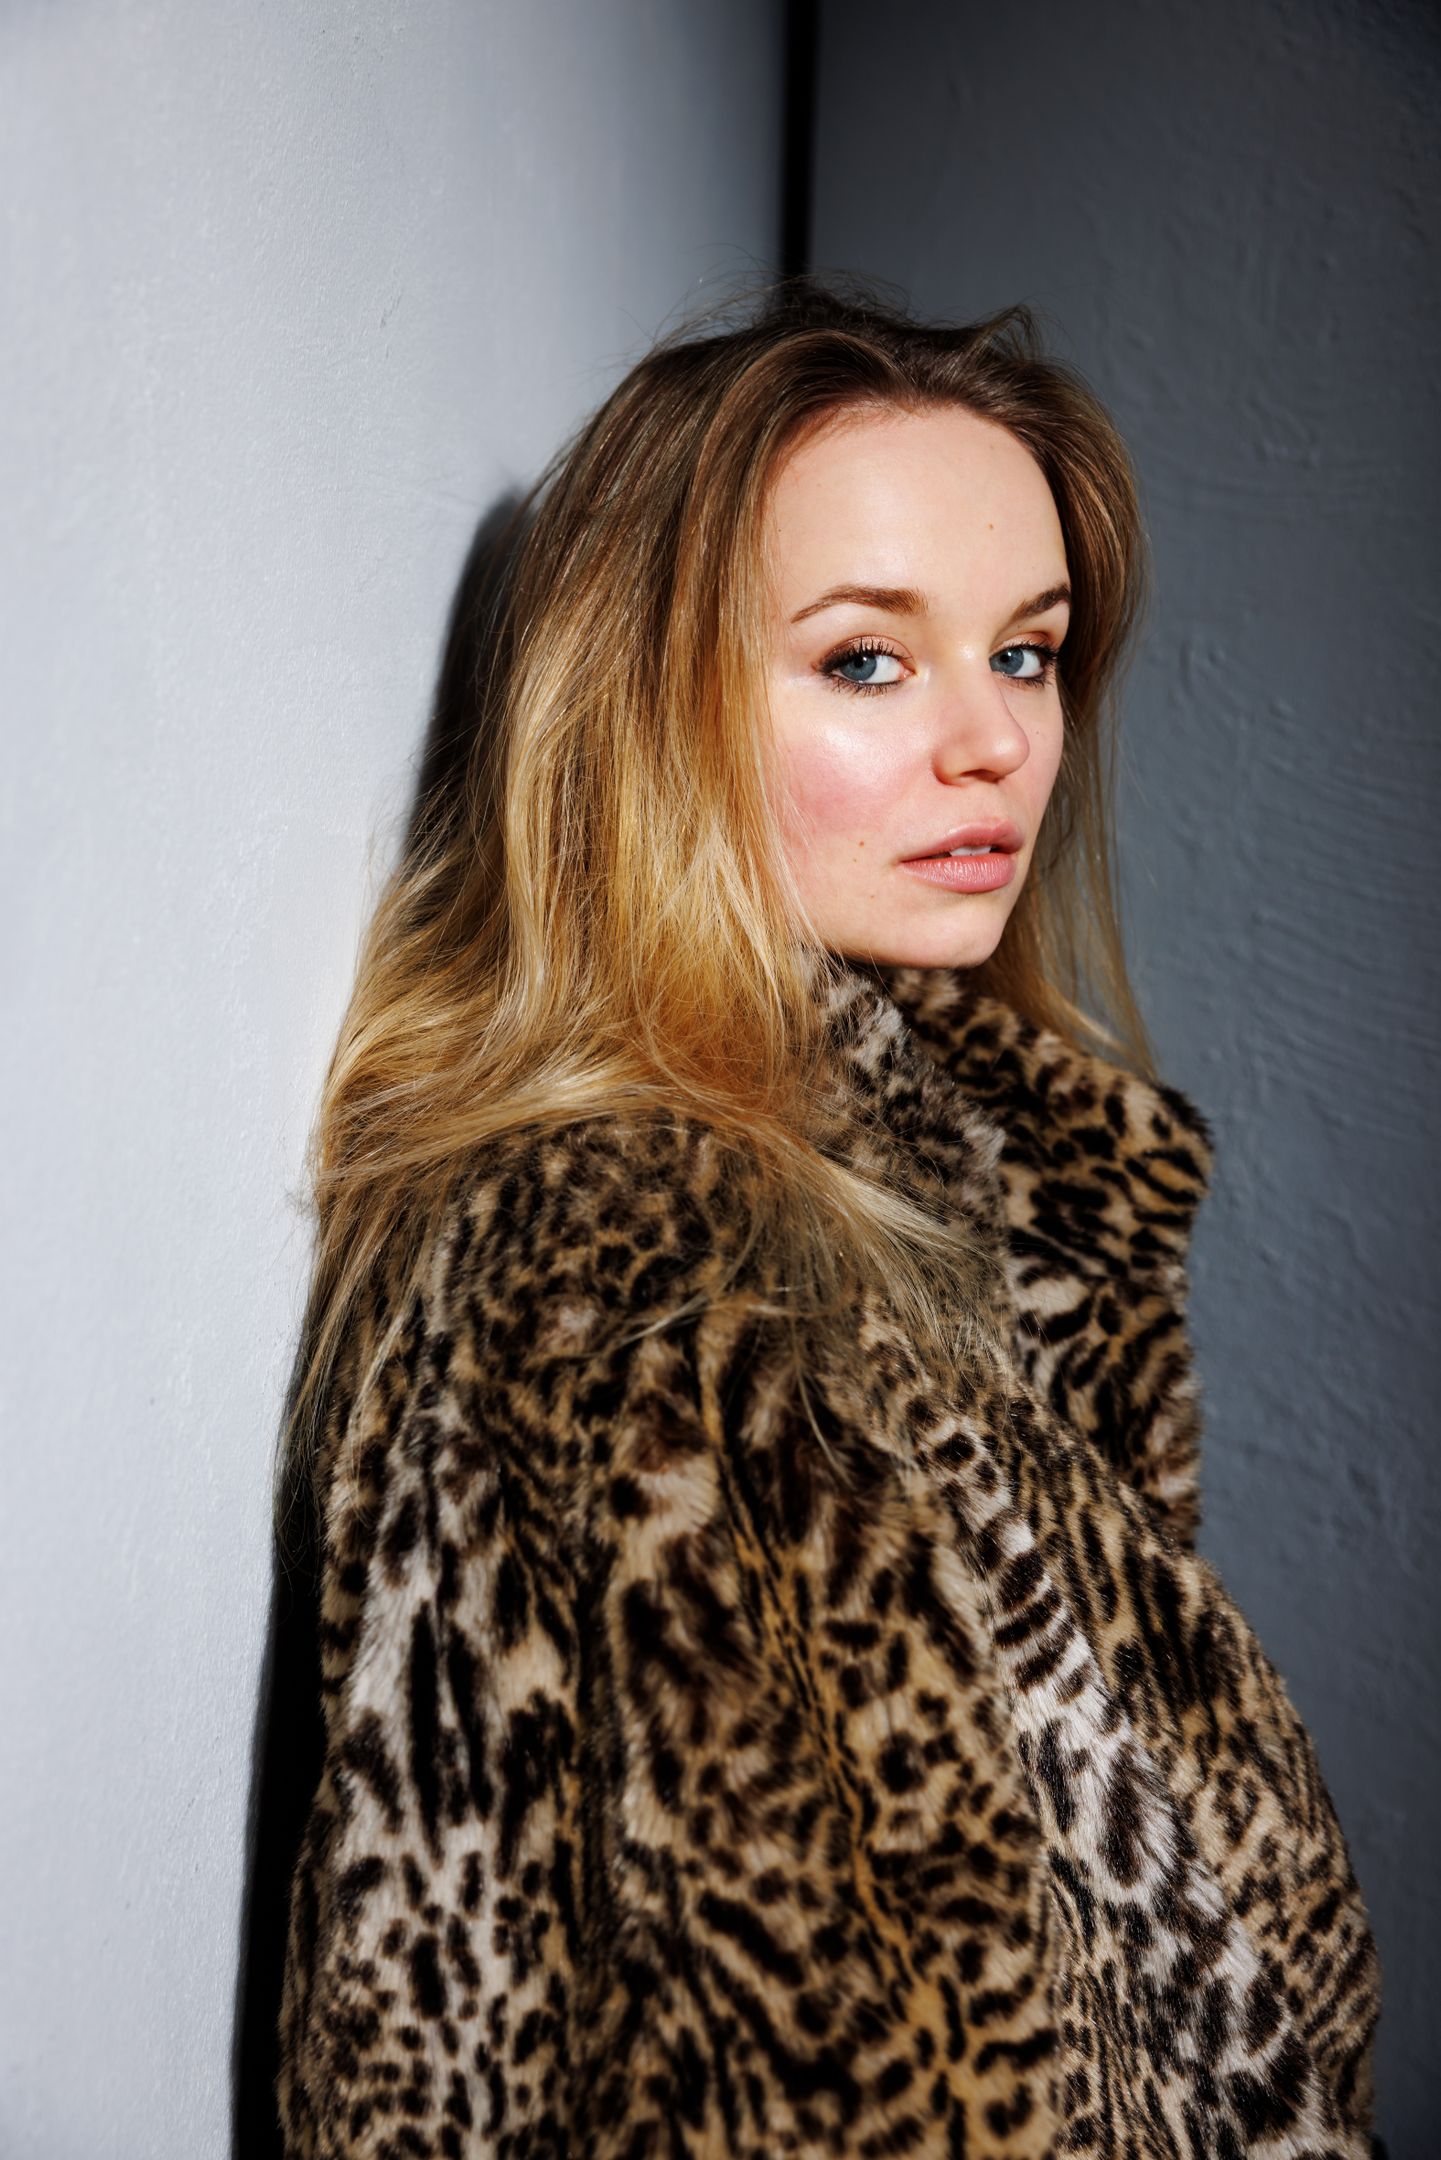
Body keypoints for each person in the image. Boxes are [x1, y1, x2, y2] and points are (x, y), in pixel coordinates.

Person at [272, 277, 1381, 2156]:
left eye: (1025, 652)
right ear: (641, 711)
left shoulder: (963, 1171)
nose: (996, 742)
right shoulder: (672, 1296)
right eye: (866, 661)